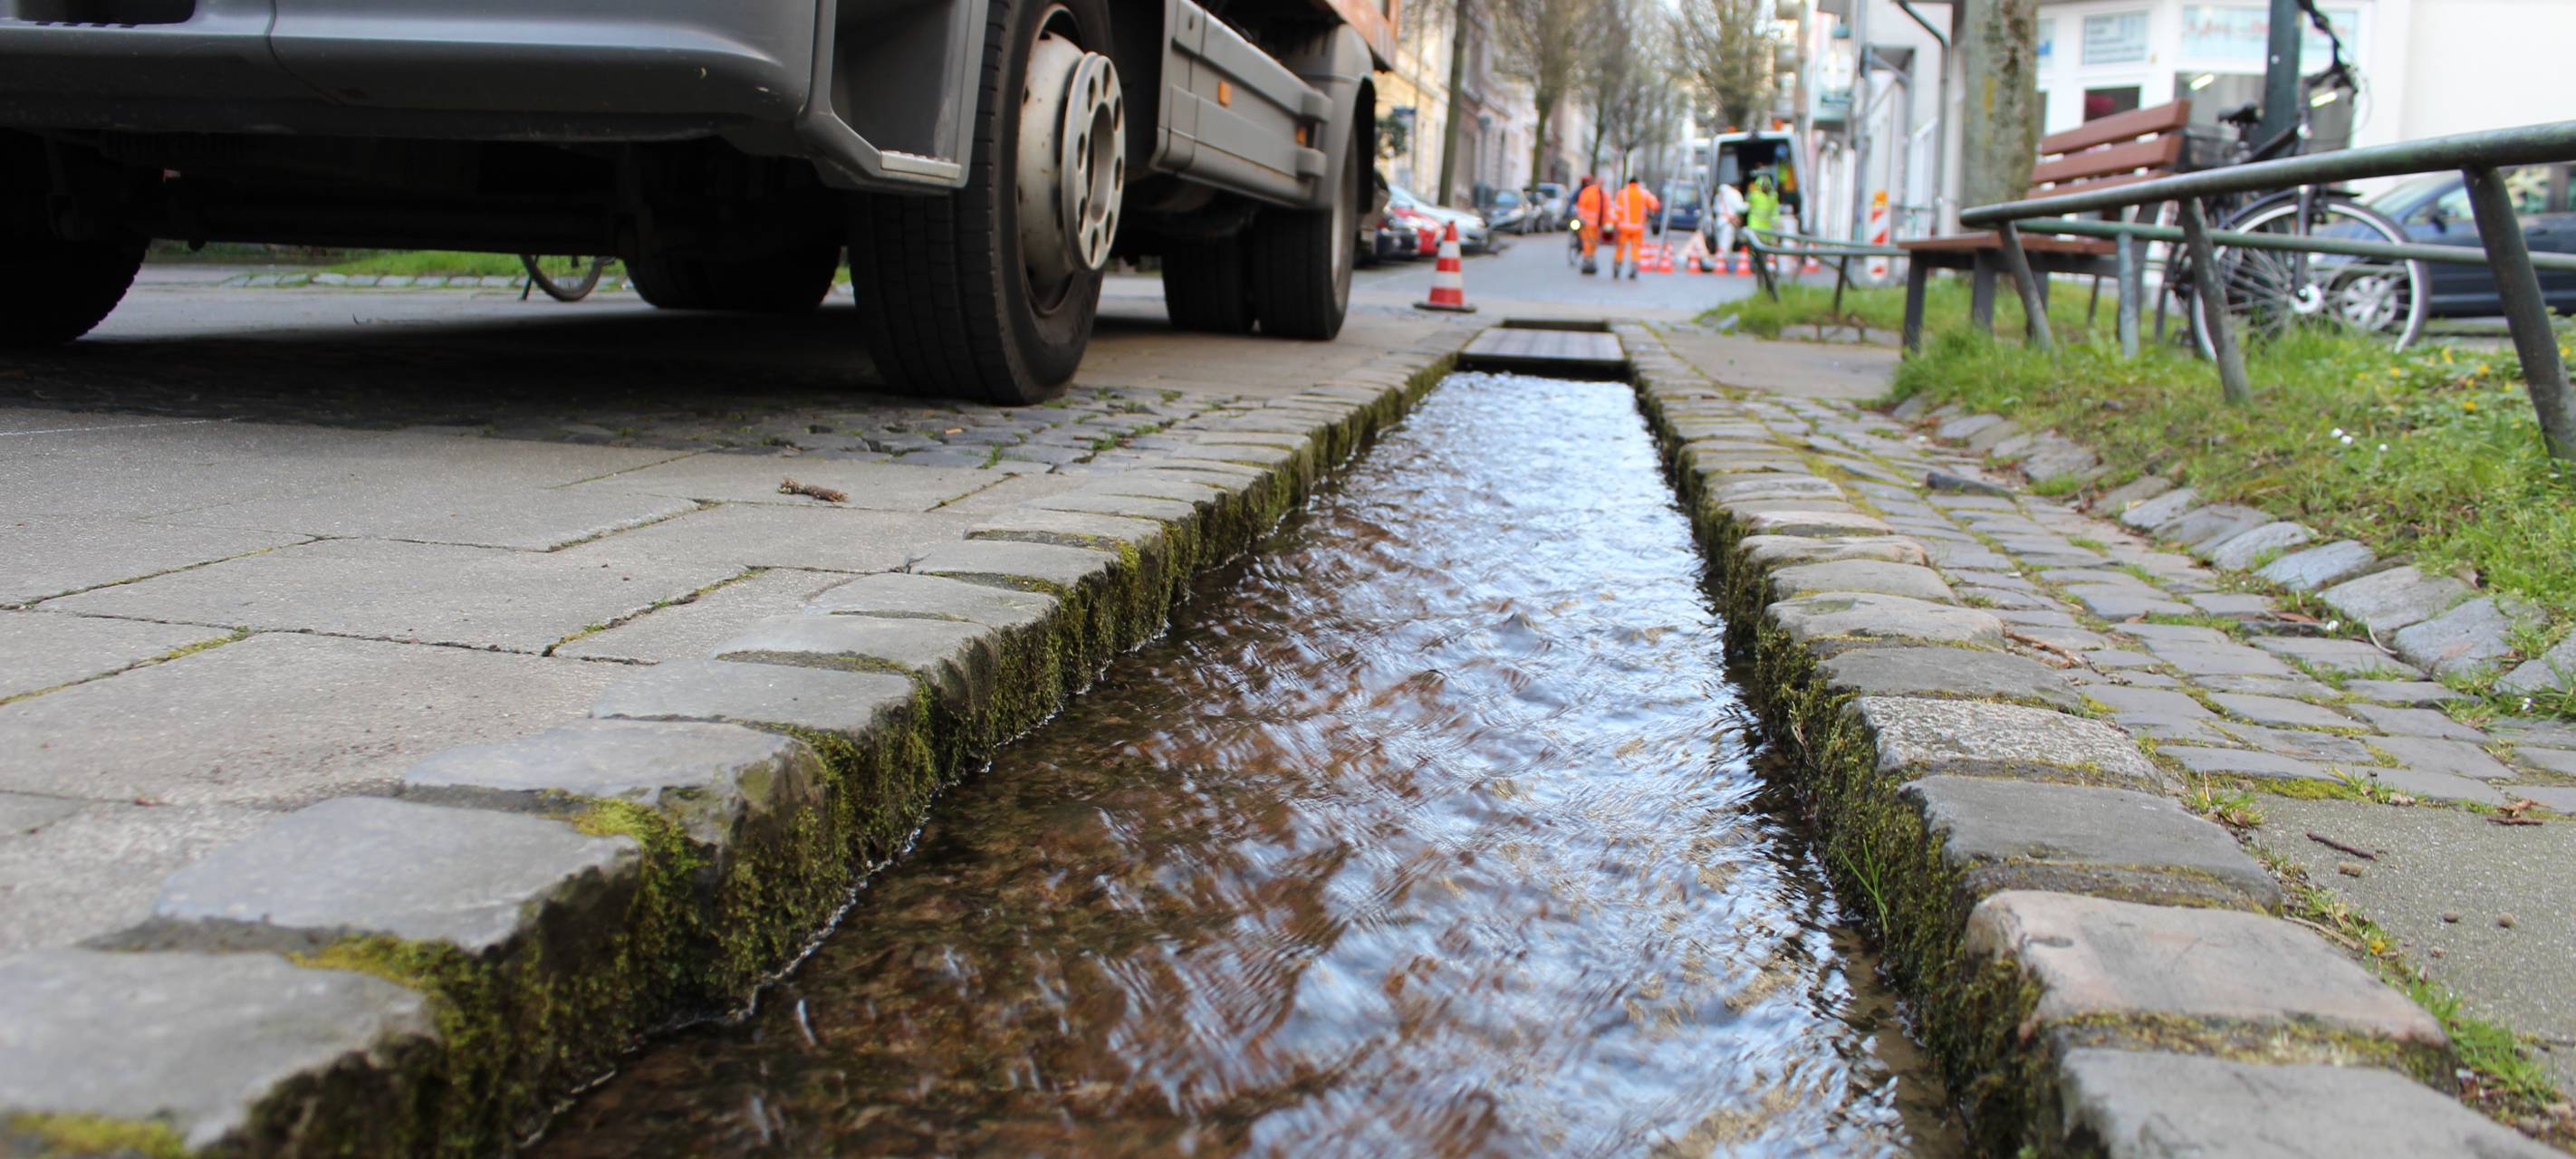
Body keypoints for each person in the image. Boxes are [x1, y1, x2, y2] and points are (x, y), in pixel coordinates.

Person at [1610, 176, 1660, 280]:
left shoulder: (1622, 193)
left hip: (1623, 227)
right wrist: (1655, 207)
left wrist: (1613, 224)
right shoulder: (1643, 193)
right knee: (1636, 249)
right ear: (1637, 183)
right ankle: (1634, 268)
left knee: (1620, 248)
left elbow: (1617, 211)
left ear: (1628, 183)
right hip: (1637, 228)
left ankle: (1617, 267)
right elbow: (1654, 204)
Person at [1745, 172, 1782, 277]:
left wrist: (1777, 224)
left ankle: (1765, 267)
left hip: (1766, 226)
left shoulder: (1772, 197)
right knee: (1755, 247)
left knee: (1765, 248)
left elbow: (1775, 212)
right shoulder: (1755, 195)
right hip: (1755, 225)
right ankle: (1755, 264)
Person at [1572, 175, 1607, 275]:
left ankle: (1590, 259)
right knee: (1587, 242)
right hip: (1588, 223)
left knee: (1593, 242)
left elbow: (1606, 209)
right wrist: (1580, 217)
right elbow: (1580, 204)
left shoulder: (1603, 194)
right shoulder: (1587, 192)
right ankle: (1587, 259)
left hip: (1597, 224)